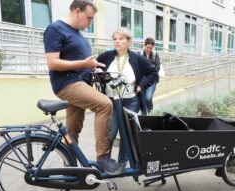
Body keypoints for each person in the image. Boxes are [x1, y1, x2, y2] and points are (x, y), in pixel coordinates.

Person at [43, 0, 122, 175]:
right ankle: (103, 159)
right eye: (89, 18)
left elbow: (80, 63)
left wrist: (93, 67)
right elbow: (52, 62)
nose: (90, 22)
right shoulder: (56, 28)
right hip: (68, 83)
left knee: (73, 129)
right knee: (104, 105)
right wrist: (84, 64)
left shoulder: (78, 34)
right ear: (77, 11)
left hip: (80, 82)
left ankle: (70, 167)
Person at [97, 29, 158, 166]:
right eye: (115, 39)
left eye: (121, 39)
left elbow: (153, 73)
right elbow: (92, 65)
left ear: (129, 42)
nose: (117, 41)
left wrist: (141, 85)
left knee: (126, 133)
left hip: (130, 100)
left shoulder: (137, 58)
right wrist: (97, 70)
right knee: (111, 132)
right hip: (111, 101)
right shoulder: (107, 56)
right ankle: (105, 161)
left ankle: (122, 162)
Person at [142, 37, 161, 113]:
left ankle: (150, 110)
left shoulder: (155, 55)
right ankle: (145, 115)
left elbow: (157, 68)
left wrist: (147, 69)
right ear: (145, 45)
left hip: (152, 80)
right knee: (143, 99)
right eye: (147, 47)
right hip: (142, 80)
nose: (149, 49)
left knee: (147, 97)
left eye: (151, 48)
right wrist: (151, 68)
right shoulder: (139, 54)